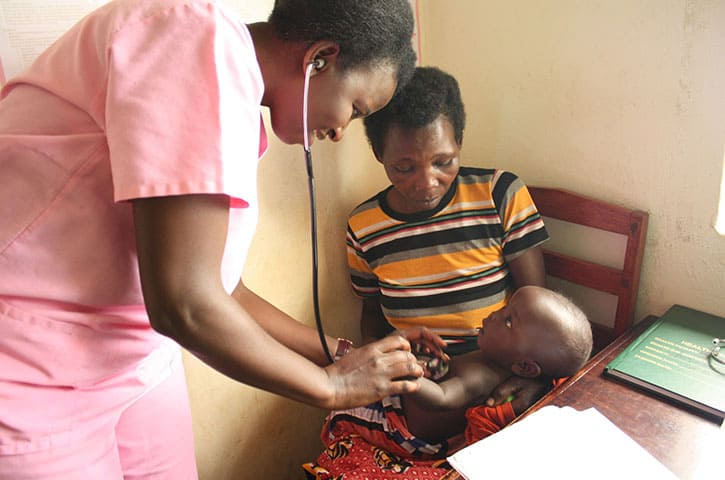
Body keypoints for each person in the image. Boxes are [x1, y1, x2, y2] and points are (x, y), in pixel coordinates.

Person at [0, 1, 446, 478]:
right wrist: (331, 388)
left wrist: (341, 354)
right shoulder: (194, 38)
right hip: (29, 375)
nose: (339, 132)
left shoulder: (231, 98)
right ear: (321, 57)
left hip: (135, 364)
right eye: (356, 109)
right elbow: (184, 304)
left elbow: (220, 289)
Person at [347, 65, 551, 406]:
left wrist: (535, 375)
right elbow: (372, 310)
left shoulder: (499, 193)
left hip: (493, 373)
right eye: (405, 167)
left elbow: (536, 304)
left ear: (459, 141)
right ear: (379, 155)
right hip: (415, 380)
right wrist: (376, 361)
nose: (427, 182)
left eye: (444, 161)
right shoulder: (364, 225)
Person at [309, 286, 592, 474]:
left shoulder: (484, 376)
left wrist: (409, 372)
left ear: (525, 367)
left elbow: (443, 399)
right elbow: (447, 377)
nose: (494, 315)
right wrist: (428, 366)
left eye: (508, 321)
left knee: (343, 414)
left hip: (402, 428)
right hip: (413, 405)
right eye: (504, 308)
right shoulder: (496, 361)